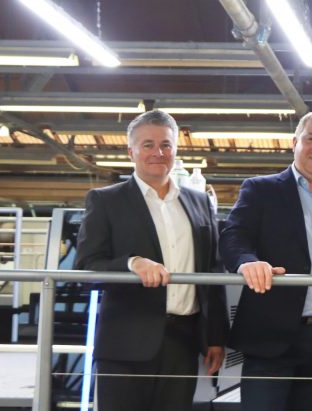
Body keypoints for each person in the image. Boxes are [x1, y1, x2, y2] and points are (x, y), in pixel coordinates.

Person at [75, 109, 228, 411]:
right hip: (125, 343)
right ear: (131, 151)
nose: (158, 153)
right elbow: (86, 267)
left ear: (175, 149)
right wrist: (132, 263)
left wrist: (216, 337)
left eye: (166, 145)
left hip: (184, 342)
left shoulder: (199, 202)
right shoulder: (106, 200)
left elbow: (214, 271)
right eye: (148, 145)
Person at [219, 111, 312, 411]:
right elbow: (234, 236)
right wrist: (246, 262)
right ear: (294, 142)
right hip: (270, 336)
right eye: (310, 139)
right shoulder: (261, 190)